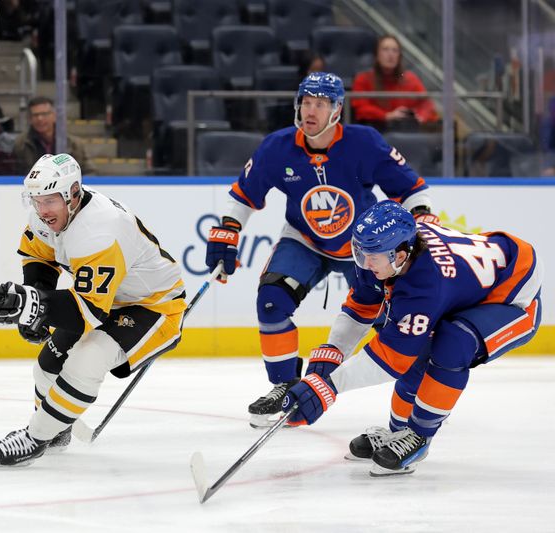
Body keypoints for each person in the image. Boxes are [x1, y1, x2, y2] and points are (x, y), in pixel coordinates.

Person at [204, 72, 438, 428]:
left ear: (337, 109)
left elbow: (413, 190)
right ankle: (285, 388)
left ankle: (420, 389)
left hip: (363, 247)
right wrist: (229, 228)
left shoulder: (364, 143)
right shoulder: (277, 147)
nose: (311, 111)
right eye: (306, 102)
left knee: (395, 320)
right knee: (272, 300)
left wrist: (422, 220)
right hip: (304, 240)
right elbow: (244, 194)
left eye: (320, 104)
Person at [281, 200, 542, 476]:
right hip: (469, 283)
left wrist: (329, 387)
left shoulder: (426, 284)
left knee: (453, 342)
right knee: (418, 346)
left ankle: (419, 438)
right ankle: (398, 433)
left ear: (400, 255)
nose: (365, 263)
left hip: (515, 291)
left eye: (373, 257)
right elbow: (360, 309)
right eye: (360, 252)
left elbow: (392, 359)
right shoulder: (380, 255)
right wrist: (333, 351)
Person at [0, 153, 187, 466]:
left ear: (73, 194)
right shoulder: (47, 216)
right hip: (108, 300)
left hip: (153, 307)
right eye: (36, 201)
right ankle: (57, 430)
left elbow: (88, 312)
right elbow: (40, 258)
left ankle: (35, 438)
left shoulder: (101, 229)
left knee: (88, 358)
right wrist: (32, 303)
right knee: (47, 364)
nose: (42, 211)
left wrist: (31, 304)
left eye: (49, 201)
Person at [351, 35, 439, 131]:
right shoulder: (363, 79)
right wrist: (387, 115)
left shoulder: (410, 78)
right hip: (376, 129)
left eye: (395, 50)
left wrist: (419, 117)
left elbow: (427, 104)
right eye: (385, 49)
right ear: (377, 55)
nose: (390, 54)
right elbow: (361, 109)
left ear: (399, 56)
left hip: (406, 130)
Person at [14, 96, 95, 175]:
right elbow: (14, 174)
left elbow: (90, 172)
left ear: (54, 115)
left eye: (44, 114)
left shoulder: (74, 144)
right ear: (30, 119)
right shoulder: (21, 144)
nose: (40, 118)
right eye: (35, 115)